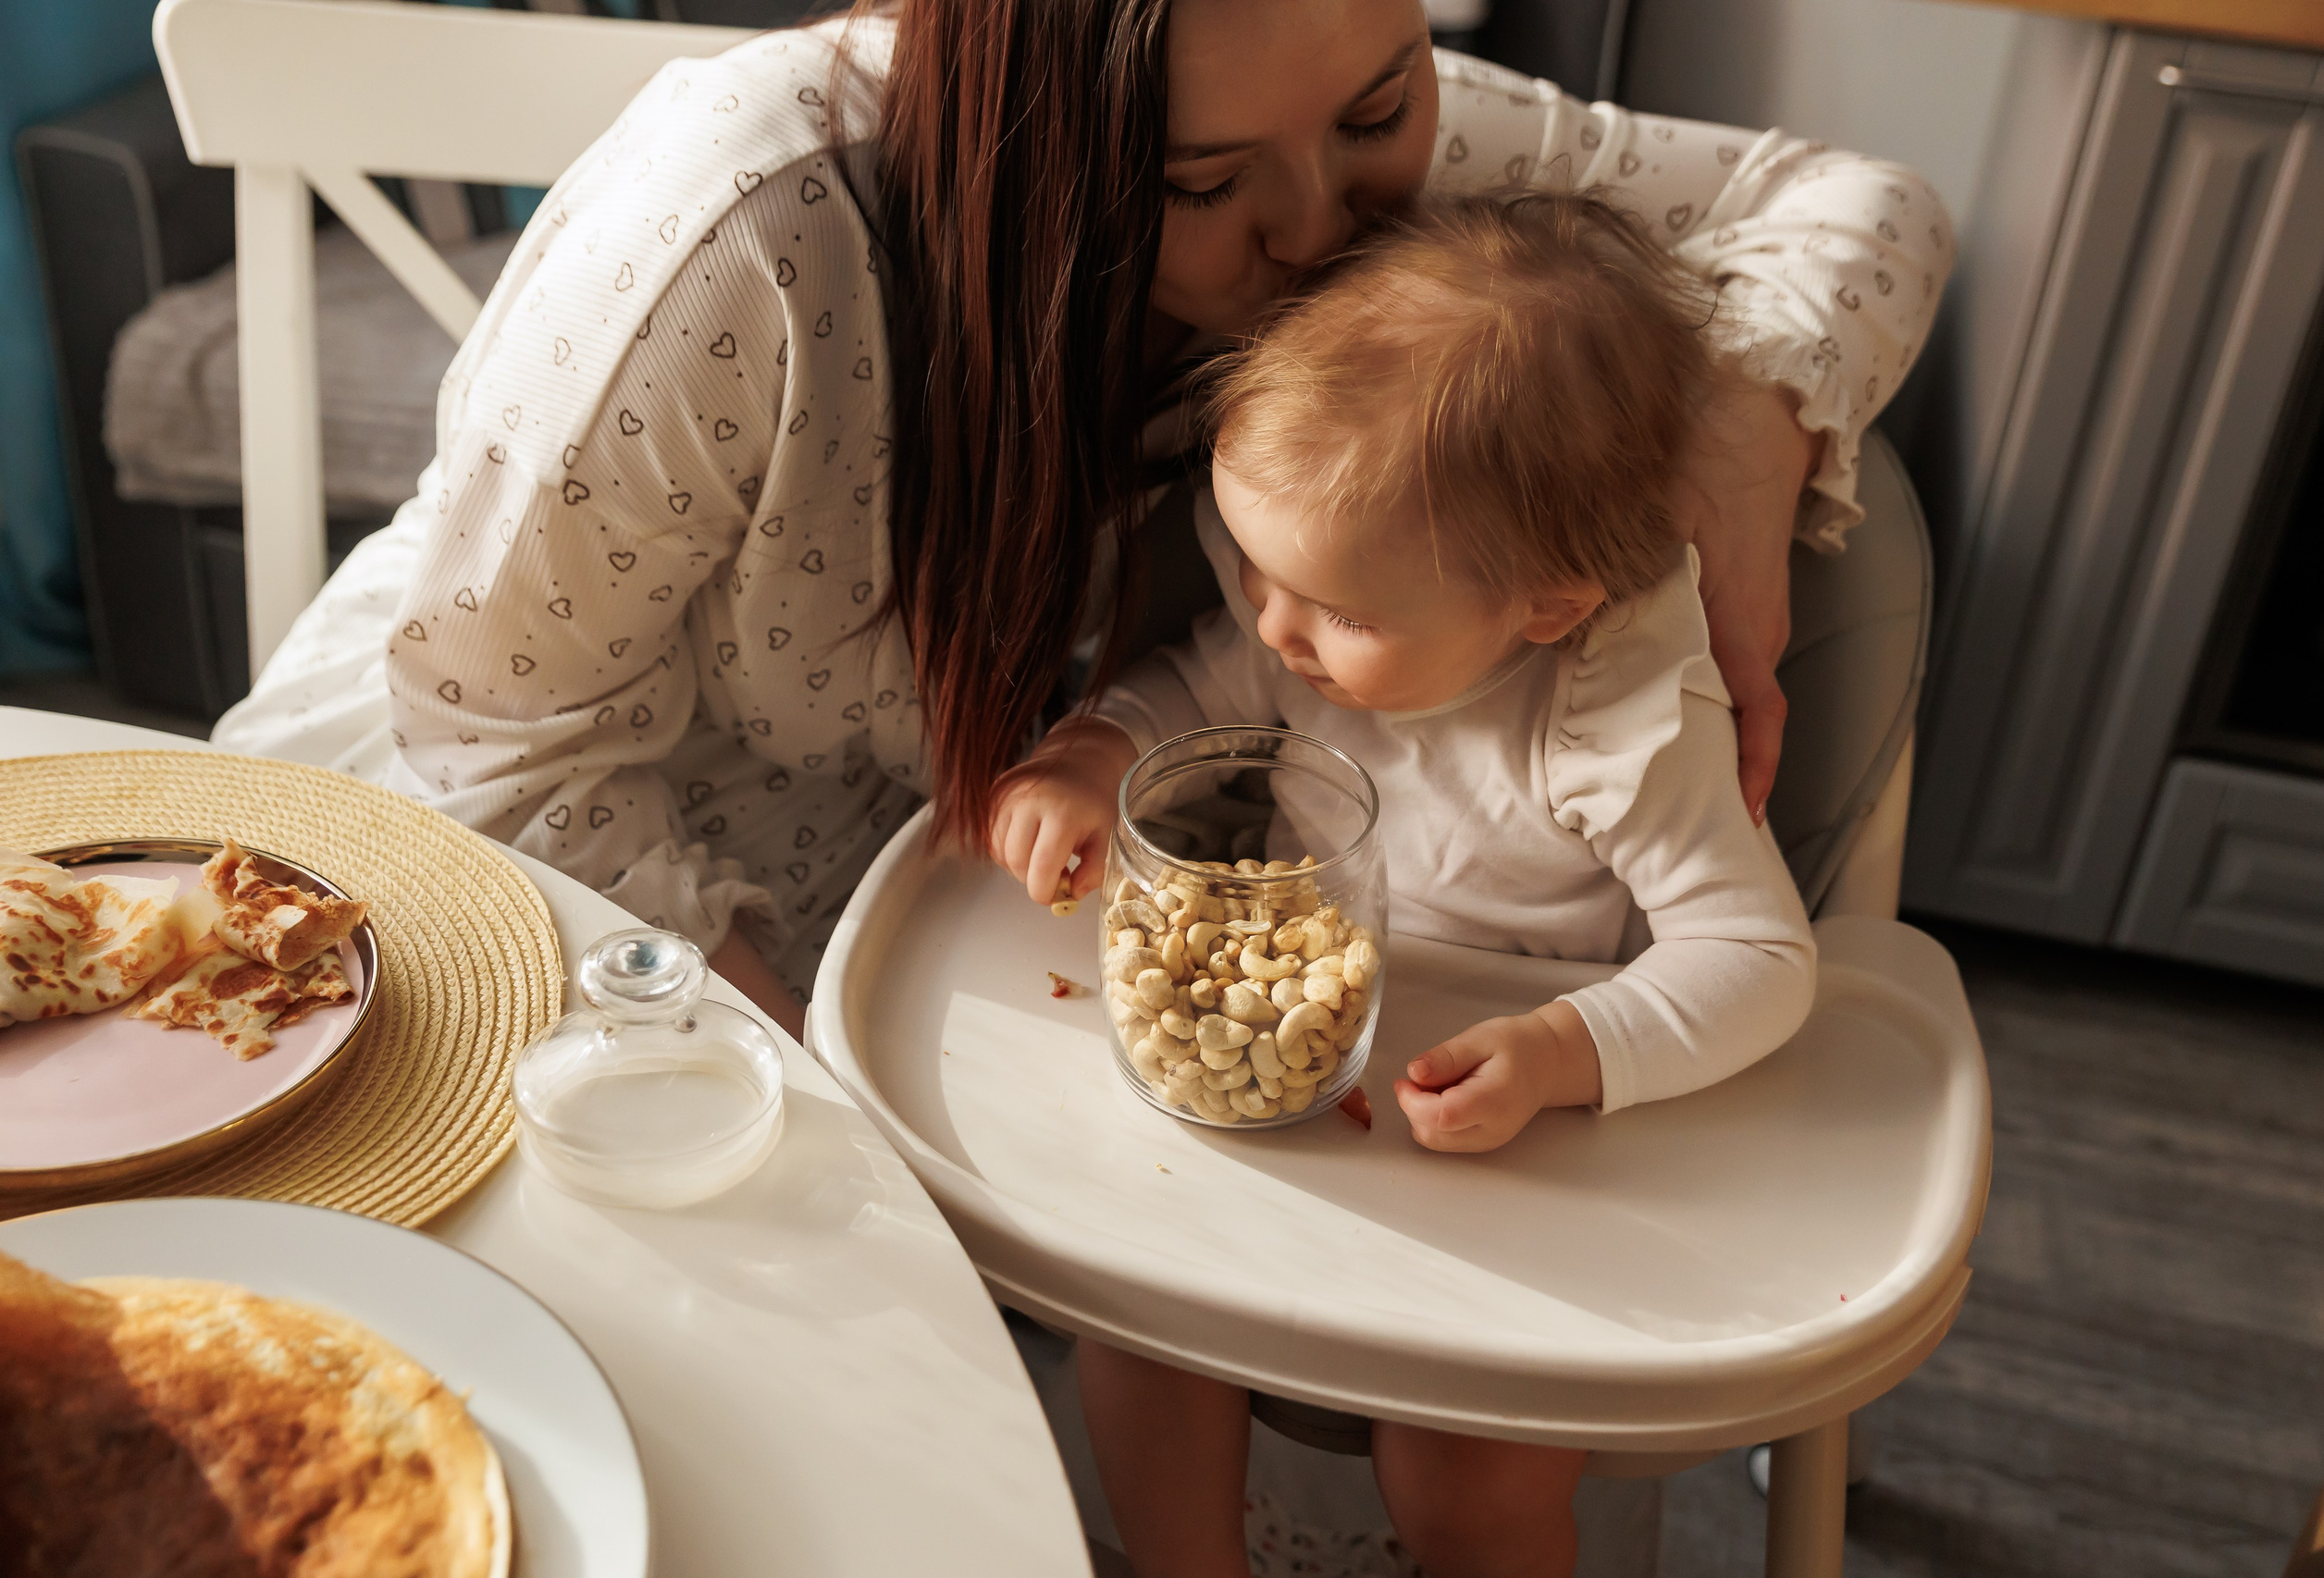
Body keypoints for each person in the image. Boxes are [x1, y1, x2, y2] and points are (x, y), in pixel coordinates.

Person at [212, 0, 1953, 1060]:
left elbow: (1859, 202)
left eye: (1381, 110)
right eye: (1199, 187)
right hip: (559, 865)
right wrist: (819, 1073)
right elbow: (505, 733)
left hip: (998, 898)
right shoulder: (744, 233)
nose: (1322, 231)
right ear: (1027, 147)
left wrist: (1745, 416)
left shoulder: (1343, 139)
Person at [986, 192, 1815, 1574]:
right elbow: (1201, 684)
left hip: (1502, 1156)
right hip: (1279, 1087)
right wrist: (1093, 750)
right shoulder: (1312, 606)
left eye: (1339, 612)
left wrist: (1563, 1050)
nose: (1274, 623)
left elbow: (1759, 955)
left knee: (1471, 1464)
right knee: (1140, 1345)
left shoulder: (1612, 720)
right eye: (1257, 566)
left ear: (1544, 604)